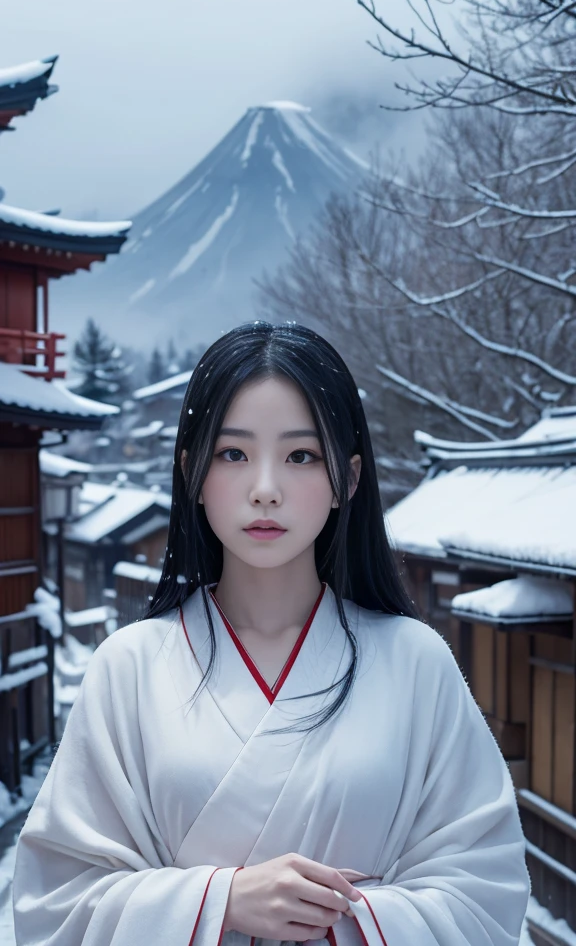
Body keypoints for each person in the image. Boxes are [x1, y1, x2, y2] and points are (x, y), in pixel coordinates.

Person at [13, 321, 531, 946]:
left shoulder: (416, 662)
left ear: (350, 477)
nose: (265, 490)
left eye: (301, 456)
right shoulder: (129, 667)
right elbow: (55, 903)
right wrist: (220, 901)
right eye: (233, 454)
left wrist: (343, 922)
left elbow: (486, 891)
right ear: (193, 473)